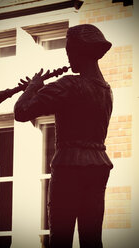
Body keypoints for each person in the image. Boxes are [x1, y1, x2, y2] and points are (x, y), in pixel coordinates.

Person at [14, 24, 113, 248]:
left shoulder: (69, 85)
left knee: (60, 237)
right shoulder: (106, 90)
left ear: (81, 51)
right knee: (92, 239)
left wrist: (31, 88)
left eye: (70, 51)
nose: (68, 57)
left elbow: (21, 112)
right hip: (98, 165)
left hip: (69, 165)